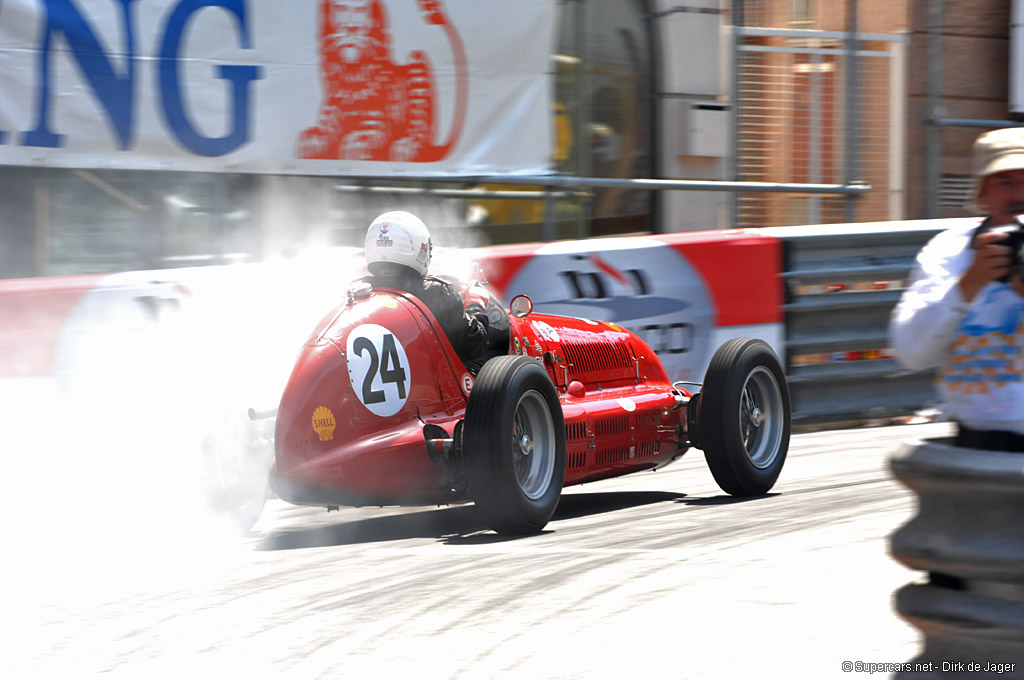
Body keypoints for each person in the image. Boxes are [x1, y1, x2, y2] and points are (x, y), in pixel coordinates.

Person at [890, 127, 1024, 452]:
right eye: (1005, 181)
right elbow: (909, 351)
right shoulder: (950, 251)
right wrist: (968, 284)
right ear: (982, 192)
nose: (1019, 194)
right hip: (975, 447)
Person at [362, 210, 495, 371]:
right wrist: (475, 302)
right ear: (420, 248)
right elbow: (474, 345)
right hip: (425, 379)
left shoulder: (357, 292)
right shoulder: (436, 292)